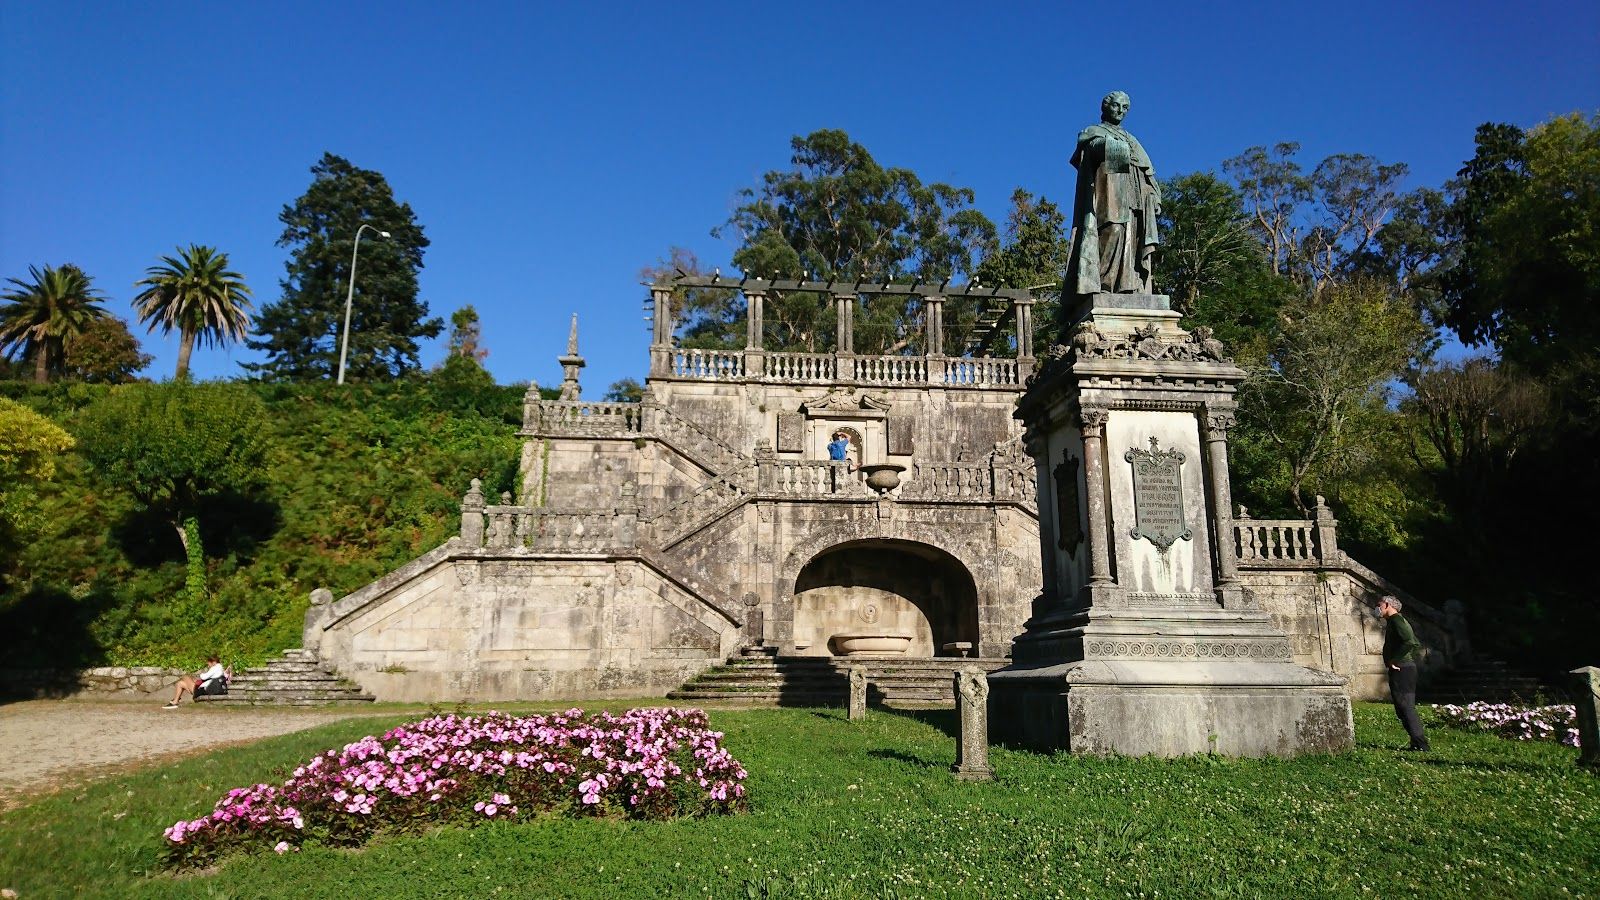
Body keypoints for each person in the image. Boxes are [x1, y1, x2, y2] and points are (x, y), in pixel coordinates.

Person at [1066, 90, 1161, 296]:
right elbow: (1089, 149)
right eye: (1116, 105)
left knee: (1133, 240)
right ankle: (1104, 285)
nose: (1120, 111)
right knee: (1113, 232)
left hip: (1135, 194)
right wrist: (1108, 145)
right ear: (1105, 107)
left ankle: (1129, 286)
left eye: (1125, 108)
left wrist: (1154, 194)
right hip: (1109, 193)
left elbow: (1147, 170)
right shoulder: (1094, 131)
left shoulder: (1132, 139)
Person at [1377, 596, 1430, 751]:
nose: (1377, 607)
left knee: (1406, 706)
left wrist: (1395, 659)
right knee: (1402, 708)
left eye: (1379, 604)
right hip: (1403, 668)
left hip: (1403, 669)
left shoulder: (1397, 620)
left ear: (1387, 605)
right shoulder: (1393, 621)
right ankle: (1416, 742)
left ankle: (1421, 744)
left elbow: (1412, 642)